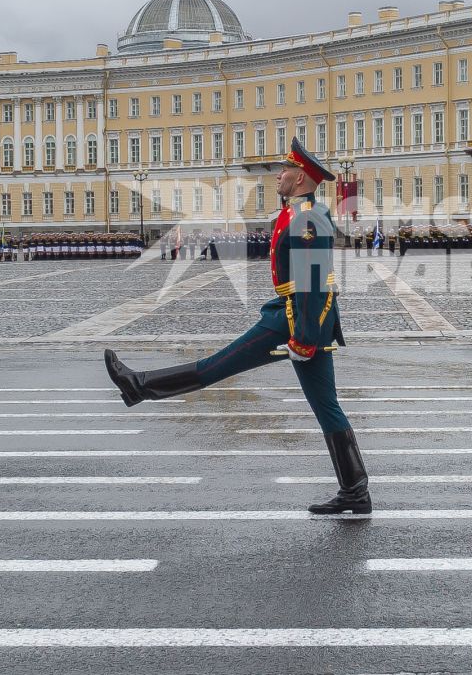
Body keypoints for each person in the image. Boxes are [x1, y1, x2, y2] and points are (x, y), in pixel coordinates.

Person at [103, 139, 369, 515]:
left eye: (286, 170)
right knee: (326, 406)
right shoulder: (298, 213)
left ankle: (141, 385)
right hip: (299, 316)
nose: (279, 174)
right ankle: (356, 491)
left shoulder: (307, 218)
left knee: (217, 366)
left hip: (293, 319)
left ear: (301, 178)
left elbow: (313, 282)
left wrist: (305, 339)